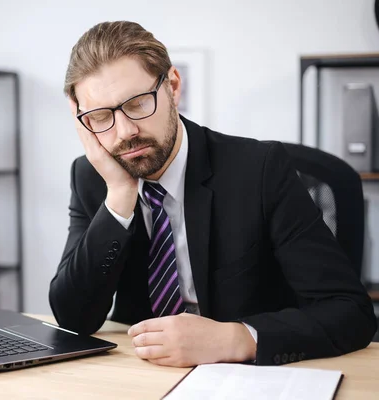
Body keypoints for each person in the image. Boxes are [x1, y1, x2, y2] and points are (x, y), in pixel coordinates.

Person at [48, 20, 377, 367]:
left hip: (251, 377)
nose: (125, 132)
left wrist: (238, 337)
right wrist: (119, 194)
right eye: (101, 117)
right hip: (143, 375)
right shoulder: (92, 177)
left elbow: (350, 312)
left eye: (137, 103)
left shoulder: (260, 170)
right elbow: (74, 319)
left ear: (172, 86)